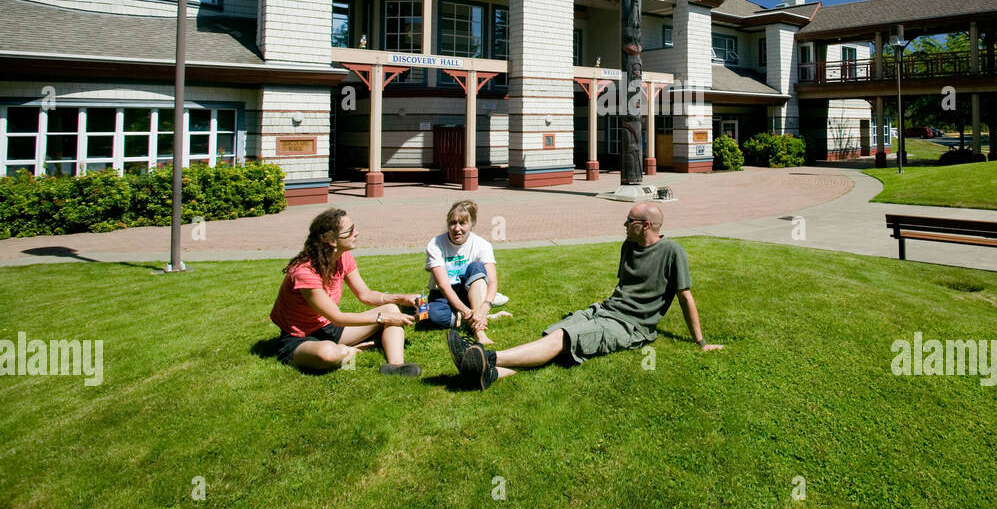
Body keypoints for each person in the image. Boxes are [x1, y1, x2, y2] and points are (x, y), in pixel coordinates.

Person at [446, 202, 722, 389]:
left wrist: (701, 342)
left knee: (564, 339)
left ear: (646, 225)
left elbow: (685, 297)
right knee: (556, 334)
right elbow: (624, 288)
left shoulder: (673, 252)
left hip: (630, 326)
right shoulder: (629, 245)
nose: (624, 225)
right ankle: (489, 372)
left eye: (630, 221)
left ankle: (485, 356)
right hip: (604, 310)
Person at [270, 207, 421, 375]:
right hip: (299, 337)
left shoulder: (343, 257)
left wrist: (401, 299)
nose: (356, 233)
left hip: (329, 328)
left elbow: (366, 295)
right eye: (349, 231)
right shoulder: (305, 272)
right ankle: (357, 348)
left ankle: (396, 366)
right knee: (328, 354)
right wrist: (383, 318)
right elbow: (337, 317)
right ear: (332, 241)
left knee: (392, 309)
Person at [424, 199, 505, 346]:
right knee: (434, 316)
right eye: (452, 222)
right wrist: (469, 313)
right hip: (444, 294)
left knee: (476, 267)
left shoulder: (482, 245)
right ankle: (476, 316)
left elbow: (492, 281)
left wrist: (486, 306)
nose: (456, 228)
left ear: (472, 225)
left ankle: (479, 331)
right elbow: (443, 286)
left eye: (462, 223)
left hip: (471, 289)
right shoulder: (435, 244)